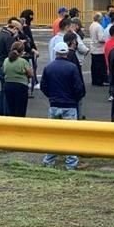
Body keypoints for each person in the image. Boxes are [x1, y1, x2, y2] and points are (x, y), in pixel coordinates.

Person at [40, 41, 86, 170]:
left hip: (54, 105)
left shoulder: (49, 67)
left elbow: (44, 86)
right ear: (66, 52)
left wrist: (51, 97)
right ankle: (71, 163)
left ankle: (49, 161)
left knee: (53, 135)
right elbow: (78, 87)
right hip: (69, 105)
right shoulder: (72, 67)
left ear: (56, 52)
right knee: (71, 136)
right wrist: (75, 99)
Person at [3, 40, 33, 118]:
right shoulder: (23, 61)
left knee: (10, 108)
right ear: (22, 51)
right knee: (20, 109)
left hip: (8, 84)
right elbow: (30, 74)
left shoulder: (6, 60)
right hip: (20, 86)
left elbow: (4, 71)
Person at [87, 12, 108, 87]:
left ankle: (95, 80)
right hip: (99, 49)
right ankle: (100, 81)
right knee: (100, 66)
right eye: (101, 18)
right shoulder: (99, 26)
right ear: (99, 18)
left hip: (93, 47)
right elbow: (101, 38)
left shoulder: (92, 25)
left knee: (94, 66)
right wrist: (106, 39)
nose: (102, 19)